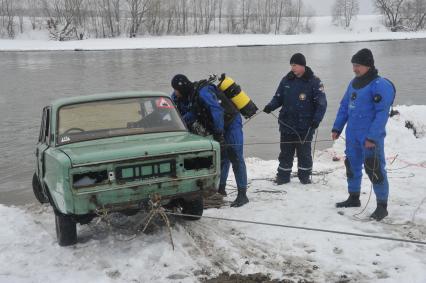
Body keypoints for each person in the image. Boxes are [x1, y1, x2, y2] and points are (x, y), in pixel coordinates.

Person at [332, 48, 395, 221]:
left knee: (374, 169)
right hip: (352, 134)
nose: (355, 68)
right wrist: (337, 128)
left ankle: (382, 206)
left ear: (368, 65)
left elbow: (382, 114)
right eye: (353, 65)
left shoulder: (380, 85)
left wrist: (373, 137)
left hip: (369, 137)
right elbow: (344, 106)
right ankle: (354, 198)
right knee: (351, 166)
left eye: (358, 65)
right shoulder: (353, 83)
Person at [171, 74, 249, 207]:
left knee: (236, 156)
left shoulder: (203, 92)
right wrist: (179, 123)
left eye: (176, 90)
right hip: (217, 125)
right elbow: (192, 113)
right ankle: (220, 189)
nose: (175, 93)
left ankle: (242, 195)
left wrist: (219, 133)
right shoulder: (189, 96)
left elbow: (217, 110)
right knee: (222, 157)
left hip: (231, 122)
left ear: (182, 88)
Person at [263, 53, 327, 185]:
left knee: (304, 153)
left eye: (295, 65)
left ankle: (304, 177)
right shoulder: (286, 79)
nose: (293, 68)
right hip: (287, 123)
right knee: (285, 152)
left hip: (305, 125)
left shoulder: (314, 81)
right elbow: (278, 97)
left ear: (303, 65)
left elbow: (322, 104)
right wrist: (271, 106)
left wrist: (317, 120)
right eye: (291, 65)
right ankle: (283, 176)